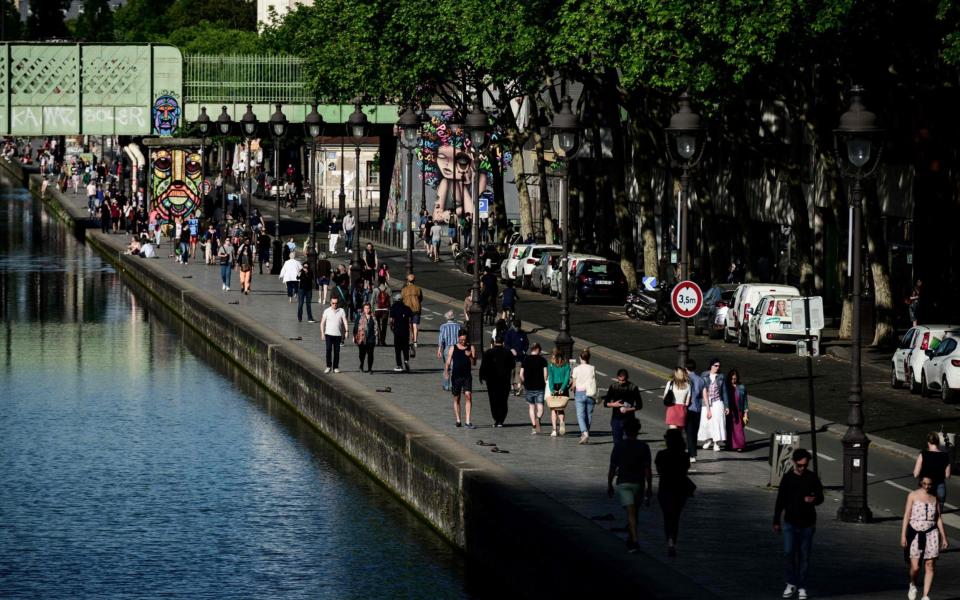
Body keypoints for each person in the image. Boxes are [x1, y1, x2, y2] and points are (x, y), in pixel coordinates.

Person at [773, 448, 824, 600]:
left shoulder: (812, 478)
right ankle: (791, 582)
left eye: (805, 465)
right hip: (790, 522)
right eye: (800, 465)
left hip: (807, 523)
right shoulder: (788, 478)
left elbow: (820, 497)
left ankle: (802, 585)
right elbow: (780, 500)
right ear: (794, 462)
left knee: (804, 556)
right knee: (789, 553)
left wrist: (813, 500)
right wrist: (776, 520)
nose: (802, 468)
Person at [607, 418, 652, 554]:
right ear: (638, 430)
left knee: (631, 513)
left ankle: (635, 540)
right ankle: (631, 537)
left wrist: (609, 484)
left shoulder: (619, 446)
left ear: (625, 431)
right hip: (638, 483)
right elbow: (648, 470)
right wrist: (649, 487)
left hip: (624, 482)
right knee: (635, 512)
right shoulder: (644, 447)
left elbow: (612, 468)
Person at [901, 476, 948, 600]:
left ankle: (925, 595)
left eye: (929, 484)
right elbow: (906, 515)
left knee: (930, 564)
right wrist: (903, 535)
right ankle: (912, 584)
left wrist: (944, 537)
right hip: (915, 532)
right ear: (921, 483)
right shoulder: (913, 495)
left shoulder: (935, 498)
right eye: (924, 483)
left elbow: (938, 518)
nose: (927, 486)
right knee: (915, 567)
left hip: (931, 533)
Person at [656, 429, 693, 557]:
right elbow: (685, 470)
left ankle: (670, 541)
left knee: (667, 517)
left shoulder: (661, 454)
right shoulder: (684, 455)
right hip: (680, 489)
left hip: (665, 488)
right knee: (675, 517)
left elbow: (659, 471)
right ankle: (673, 541)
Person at [479, 333, 514, 427]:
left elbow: (483, 366)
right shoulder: (508, 352)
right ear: (503, 342)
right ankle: (501, 419)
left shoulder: (489, 352)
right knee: (503, 400)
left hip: (492, 380)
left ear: (494, 342)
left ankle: (496, 419)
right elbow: (513, 365)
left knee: (493, 400)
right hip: (504, 380)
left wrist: (481, 376)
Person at [444, 330, 477, 428]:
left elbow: (474, 363)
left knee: (468, 396)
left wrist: (470, 355)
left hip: (467, 376)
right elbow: (448, 361)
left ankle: (468, 421)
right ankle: (458, 420)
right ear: (458, 338)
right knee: (456, 398)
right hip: (456, 376)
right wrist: (446, 372)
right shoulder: (453, 348)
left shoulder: (471, 347)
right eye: (461, 339)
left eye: (464, 339)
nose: (463, 341)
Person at [913, 432, 951, 512]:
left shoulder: (923, 454)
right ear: (938, 442)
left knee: (926, 515)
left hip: (926, 487)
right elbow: (947, 475)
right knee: (938, 516)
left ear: (928, 442)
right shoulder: (945, 456)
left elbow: (916, 474)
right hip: (940, 487)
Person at [604, 369, 641, 449]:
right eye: (619, 380)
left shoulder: (633, 387)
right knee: (617, 443)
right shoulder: (613, 387)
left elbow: (639, 405)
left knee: (628, 443)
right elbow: (605, 403)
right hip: (616, 419)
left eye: (623, 381)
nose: (621, 382)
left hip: (629, 419)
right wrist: (614, 404)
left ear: (627, 378)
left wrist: (628, 409)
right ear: (617, 378)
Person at [698, 358, 729, 451]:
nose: (717, 367)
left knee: (717, 422)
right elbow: (701, 389)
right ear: (711, 366)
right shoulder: (704, 375)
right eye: (716, 365)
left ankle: (716, 443)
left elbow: (724, 392)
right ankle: (708, 440)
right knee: (706, 422)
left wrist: (727, 406)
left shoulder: (721, 377)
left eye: (719, 366)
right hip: (706, 402)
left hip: (717, 402)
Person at [520, 343, 548, 434]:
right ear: (537, 350)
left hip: (529, 387)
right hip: (540, 386)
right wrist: (545, 382)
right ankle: (538, 418)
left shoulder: (525, 359)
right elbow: (545, 375)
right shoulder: (543, 360)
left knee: (531, 407)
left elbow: (521, 374)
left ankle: (533, 426)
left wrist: (525, 382)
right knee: (540, 407)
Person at [571, 348, 598, 444]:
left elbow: (574, 384)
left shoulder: (576, 369)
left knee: (580, 415)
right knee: (589, 414)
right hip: (590, 393)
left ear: (580, 358)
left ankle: (584, 432)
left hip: (579, 393)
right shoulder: (592, 368)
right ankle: (586, 433)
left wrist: (571, 388)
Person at [319, 297, 349, 374]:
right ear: (330, 303)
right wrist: (322, 333)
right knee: (328, 350)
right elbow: (322, 323)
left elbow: (345, 321)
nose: (335, 305)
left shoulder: (341, 311)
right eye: (333, 303)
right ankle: (328, 366)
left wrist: (346, 331)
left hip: (338, 335)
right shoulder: (327, 311)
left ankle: (335, 367)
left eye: (336, 303)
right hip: (328, 334)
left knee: (337, 351)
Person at [546, 347, 571, 437]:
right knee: (561, 407)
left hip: (555, 386)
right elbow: (567, 378)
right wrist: (563, 388)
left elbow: (551, 378)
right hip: (563, 388)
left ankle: (554, 430)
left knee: (553, 409)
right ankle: (561, 422)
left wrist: (552, 389)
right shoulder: (566, 365)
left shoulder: (551, 365)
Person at [684, 359, 705, 463]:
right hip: (697, 408)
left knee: (688, 431)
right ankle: (692, 452)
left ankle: (691, 453)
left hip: (688, 407)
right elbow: (703, 394)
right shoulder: (701, 380)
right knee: (695, 431)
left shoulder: (686, 379)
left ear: (686, 368)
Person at [503, 319, 530, 396]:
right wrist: (511, 350)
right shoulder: (509, 334)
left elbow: (526, 344)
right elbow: (506, 345)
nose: (517, 329)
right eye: (516, 327)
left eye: (519, 327)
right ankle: (512, 387)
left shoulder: (523, 333)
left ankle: (518, 387)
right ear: (513, 326)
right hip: (511, 357)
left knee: (519, 372)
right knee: (512, 372)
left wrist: (524, 352)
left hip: (520, 357)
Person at [437, 310, 462, 391]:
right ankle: (453, 384)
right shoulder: (458, 326)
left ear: (446, 317)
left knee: (446, 366)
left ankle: (446, 385)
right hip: (456, 347)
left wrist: (439, 350)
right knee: (454, 367)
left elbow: (441, 339)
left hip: (447, 347)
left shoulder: (443, 326)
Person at [389, 292, 414, 372]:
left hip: (397, 331)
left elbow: (391, 320)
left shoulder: (393, 307)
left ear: (395, 299)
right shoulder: (407, 308)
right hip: (405, 331)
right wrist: (412, 332)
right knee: (405, 347)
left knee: (397, 349)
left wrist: (391, 328)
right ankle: (406, 360)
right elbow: (410, 321)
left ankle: (399, 365)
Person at [726, 369, 749, 451]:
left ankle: (740, 445)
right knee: (729, 428)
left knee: (738, 429)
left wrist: (746, 412)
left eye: (735, 379)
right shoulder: (727, 387)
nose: (733, 381)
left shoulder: (741, 387)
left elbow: (745, 400)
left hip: (738, 411)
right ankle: (730, 444)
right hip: (729, 410)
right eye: (732, 379)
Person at [353, 302, 379, 372]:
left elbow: (376, 328)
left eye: (368, 308)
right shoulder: (360, 316)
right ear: (363, 309)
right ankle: (361, 364)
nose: (367, 310)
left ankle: (370, 368)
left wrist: (376, 337)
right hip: (361, 338)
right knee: (362, 354)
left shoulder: (373, 317)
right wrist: (354, 335)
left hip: (371, 338)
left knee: (370, 354)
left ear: (370, 309)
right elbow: (355, 327)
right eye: (365, 308)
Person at [401, 274, 423, 350]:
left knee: (407, 324)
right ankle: (415, 341)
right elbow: (420, 298)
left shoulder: (404, 289)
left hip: (407, 308)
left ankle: (408, 339)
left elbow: (402, 299)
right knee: (415, 325)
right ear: (414, 280)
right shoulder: (418, 289)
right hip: (416, 309)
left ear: (407, 280)